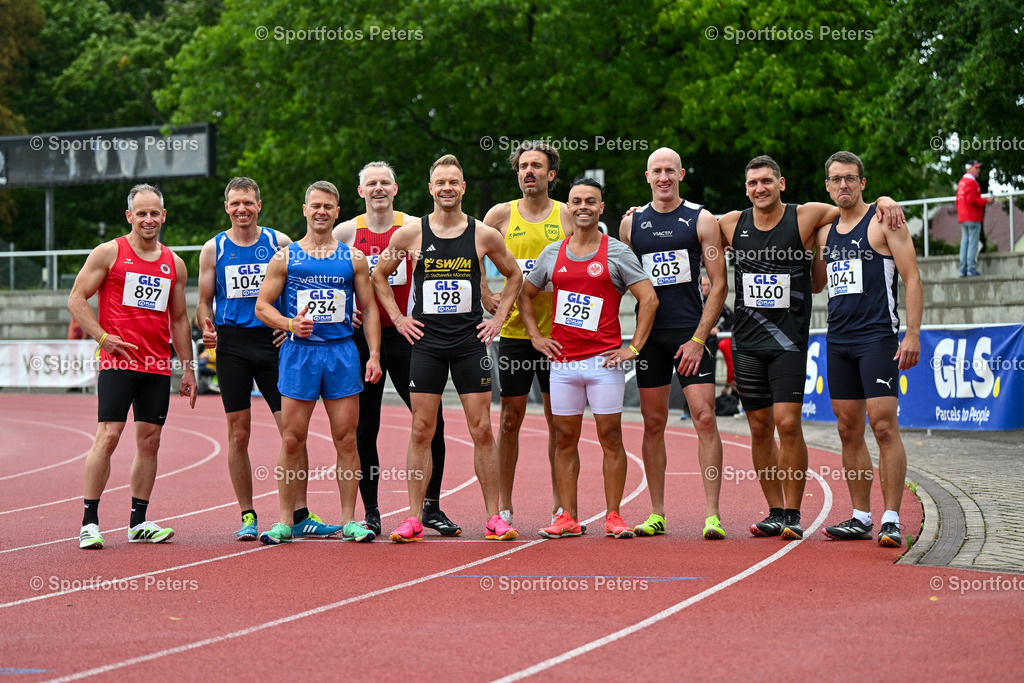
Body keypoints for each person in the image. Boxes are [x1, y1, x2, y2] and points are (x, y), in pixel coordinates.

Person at [718, 155, 905, 541]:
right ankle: (775, 512)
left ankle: (797, 513)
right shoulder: (730, 223)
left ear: (781, 183)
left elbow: (850, 204)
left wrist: (885, 198)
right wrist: (640, 213)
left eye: (767, 181)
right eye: (753, 183)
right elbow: (688, 228)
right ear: (746, 187)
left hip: (791, 339)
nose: (760, 188)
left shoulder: (806, 216)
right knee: (759, 427)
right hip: (747, 341)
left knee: (789, 423)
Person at [372, 154, 523, 543]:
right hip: (427, 344)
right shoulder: (410, 234)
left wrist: (498, 319)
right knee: (421, 430)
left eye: (454, 182)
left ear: (463, 188)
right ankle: (413, 518)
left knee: (482, 430)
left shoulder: (484, 234)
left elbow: (515, 275)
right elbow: (379, 275)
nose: (447, 188)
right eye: (440, 182)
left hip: (469, 342)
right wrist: (399, 319)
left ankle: (494, 517)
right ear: (430, 188)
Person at [196, 177, 341, 541]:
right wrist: (205, 323)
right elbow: (202, 302)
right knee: (238, 434)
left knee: (292, 433)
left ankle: (300, 514)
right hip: (231, 346)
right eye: (234, 203)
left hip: (274, 344)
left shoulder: (279, 243)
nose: (241, 209)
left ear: (258, 205)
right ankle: (247, 514)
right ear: (226, 207)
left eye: (248, 202)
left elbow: (300, 288)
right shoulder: (212, 249)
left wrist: (286, 323)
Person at [519, 177, 657, 539]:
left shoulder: (617, 252)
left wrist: (634, 348)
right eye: (576, 201)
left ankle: (614, 515)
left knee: (610, 437)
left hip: (603, 364)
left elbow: (650, 299)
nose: (582, 207)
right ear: (568, 207)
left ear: (601, 208)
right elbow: (524, 295)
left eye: (590, 201)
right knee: (564, 439)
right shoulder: (553, 252)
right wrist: (536, 336)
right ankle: (568, 516)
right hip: (563, 364)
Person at [333, 161, 460, 537]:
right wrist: (344, 313)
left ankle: (431, 507)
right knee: (363, 427)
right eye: (370, 183)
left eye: (384, 182)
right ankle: (371, 511)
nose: (378, 189)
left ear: (396, 188)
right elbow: (326, 277)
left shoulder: (414, 228)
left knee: (430, 424)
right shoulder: (344, 232)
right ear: (361, 191)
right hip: (361, 342)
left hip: (409, 335)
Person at [253, 180, 382, 544]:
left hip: (341, 353)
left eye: (328, 206)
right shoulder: (285, 257)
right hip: (300, 354)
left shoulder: (353, 257)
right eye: (316, 206)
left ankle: (349, 521)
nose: (321, 211)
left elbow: (369, 308)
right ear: (305, 210)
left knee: (346, 439)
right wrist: (290, 324)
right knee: (292, 439)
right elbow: (262, 307)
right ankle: (284, 522)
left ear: (337, 211)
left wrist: (373, 354)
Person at [69, 184, 197, 549]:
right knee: (108, 435)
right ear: (130, 216)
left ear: (163, 216)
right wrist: (102, 337)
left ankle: (138, 522)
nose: (148, 219)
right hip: (118, 359)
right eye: (141, 213)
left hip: (156, 363)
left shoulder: (174, 263)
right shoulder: (109, 253)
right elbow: (76, 299)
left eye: (154, 213)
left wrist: (188, 369)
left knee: (150, 442)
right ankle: (89, 522)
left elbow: (179, 320)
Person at [813, 151, 922, 547]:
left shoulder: (883, 220)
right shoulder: (824, 233)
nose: (844, 185)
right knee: (847, 429)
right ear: (827, 186)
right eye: (836, 179)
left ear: (863, 183)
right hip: (837, 340)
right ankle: (860, 516)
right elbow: (816, 285)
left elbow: (911, 278)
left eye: (851, 179)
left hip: (877, 337)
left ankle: (891, 517)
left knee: (883, 426)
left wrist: (912, 335)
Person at [619, 148, 728, 540]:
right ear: (646, 176)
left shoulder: (702, 219)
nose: (663, 177)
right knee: (653, 423)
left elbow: (719, 284)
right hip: (650, 338)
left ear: (681, 173)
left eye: (670, 170)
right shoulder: (630, 225)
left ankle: (713, 514)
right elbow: (624, 280)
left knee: (704, 418)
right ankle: (656, 512)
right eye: (656, 171)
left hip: (689, 334)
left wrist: (699, 339)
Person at [480, 140, 577, 530]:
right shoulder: (500, 215)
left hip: (559, 335)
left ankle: (561, 506)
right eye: (523, 166)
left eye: (537, 166)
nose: (529, 172)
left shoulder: (569, 215)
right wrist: (486, 293)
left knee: (561, 423)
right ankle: (504, 506)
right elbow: (470, 255)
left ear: (551, 174)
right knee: (509, 421)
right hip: (516, 334)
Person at [956, 160, 992, 277]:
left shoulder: (962, 182)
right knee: (972, 244)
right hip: (973, 217)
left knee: (965, 242)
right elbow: (972, 200)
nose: (978, 170)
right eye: (976, 168)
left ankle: (963, 269)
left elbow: (958, 201)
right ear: (970, 168)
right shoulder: (972, 182)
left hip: (963, 217)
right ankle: (971, 269)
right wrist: (987, 200)